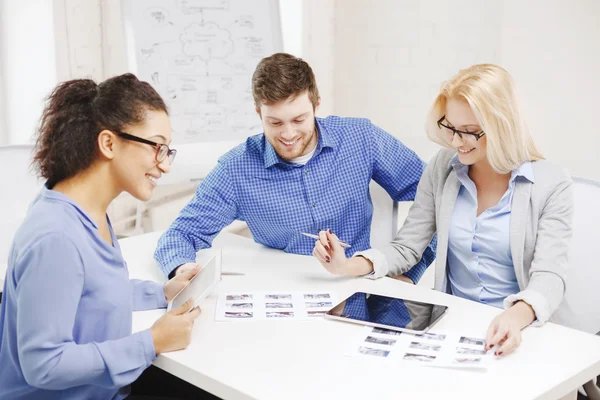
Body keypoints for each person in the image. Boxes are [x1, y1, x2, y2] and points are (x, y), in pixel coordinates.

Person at [313, 64, 573, 357]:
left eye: (469, 132)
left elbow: (550, 277)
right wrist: (345, 265)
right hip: (457, 326)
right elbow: (407, 246)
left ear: (503, 125)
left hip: (523, 330)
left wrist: (514, 316)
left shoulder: (552, 183)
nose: (455, 141)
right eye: (450, 127)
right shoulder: (443, 167)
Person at [0, 74, 202, 400]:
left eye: (167, 150)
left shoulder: (88, 210)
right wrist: (151, 342)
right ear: (108, 143)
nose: (164, 165)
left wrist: (162, 293)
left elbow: (93, 294)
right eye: (157, 147)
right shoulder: (56, 238)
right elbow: (44, 364)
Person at [154, 52, 436, 282]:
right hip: (285, 291)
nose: (288, 134)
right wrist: (181, 270)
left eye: (299, 119)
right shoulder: (236, 169)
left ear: (316, 105)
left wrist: (410, 272)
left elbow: (436, 197)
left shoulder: (361, 137)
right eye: (275, 122)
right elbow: (182, 233)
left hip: (360, 286)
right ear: (258, 113)